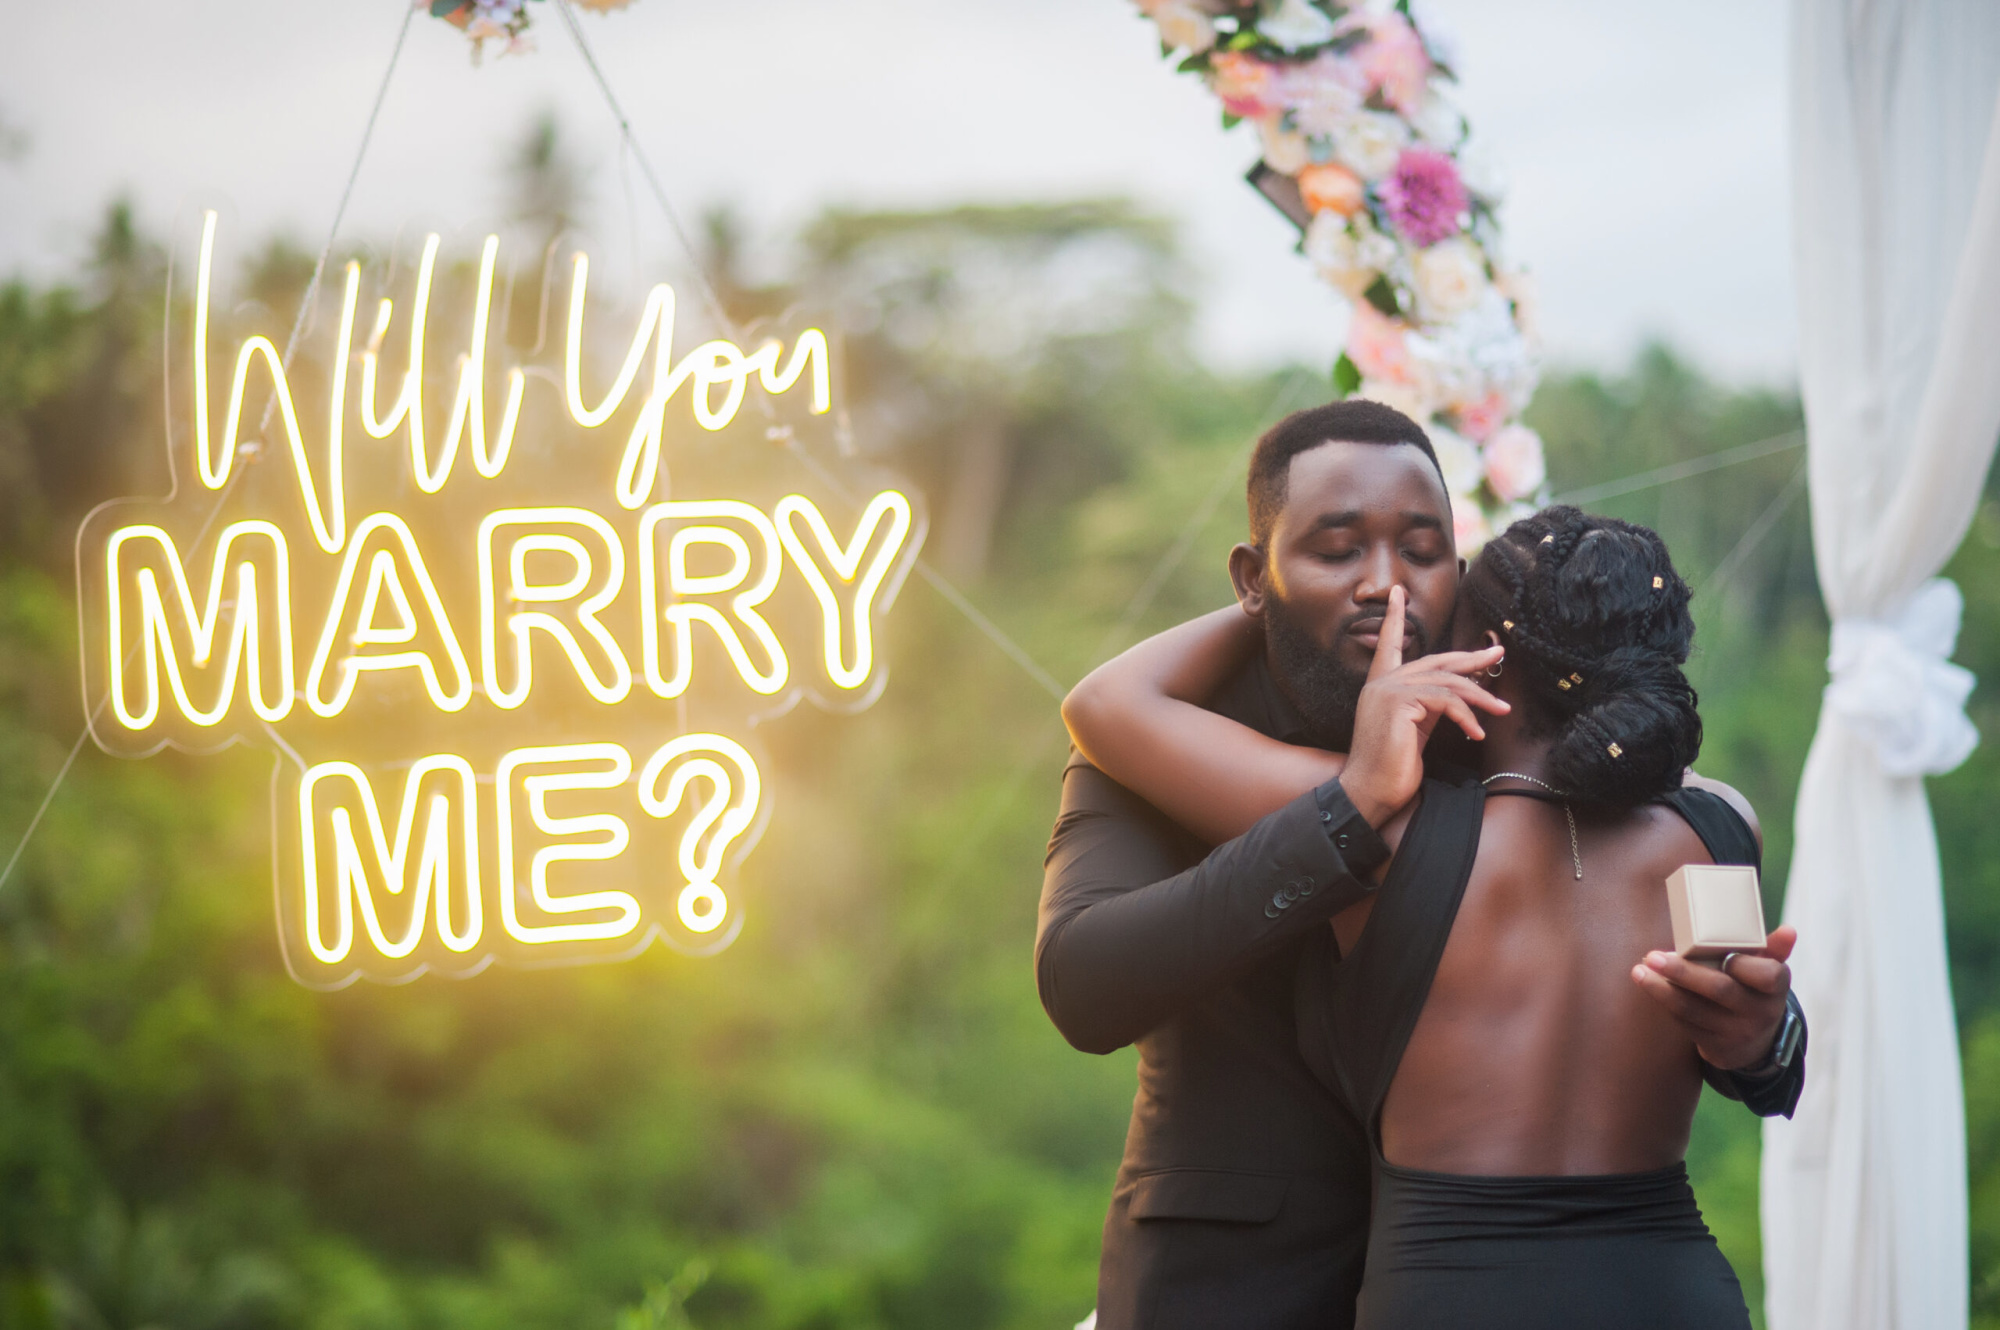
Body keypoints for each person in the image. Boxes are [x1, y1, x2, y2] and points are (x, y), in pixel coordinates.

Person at [1037, 401, 1804, 1330]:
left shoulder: (1500, 736)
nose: (1386, 586)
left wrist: (1768, 1038)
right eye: (1335, 548)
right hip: (1235, 1284)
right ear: (1254, 574)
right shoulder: (1158, 750)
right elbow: (1083, 984)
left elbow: (1666, 968)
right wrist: (1349, 806)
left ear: (1463, 570)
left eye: (1421, 550)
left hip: (1447, 1276)